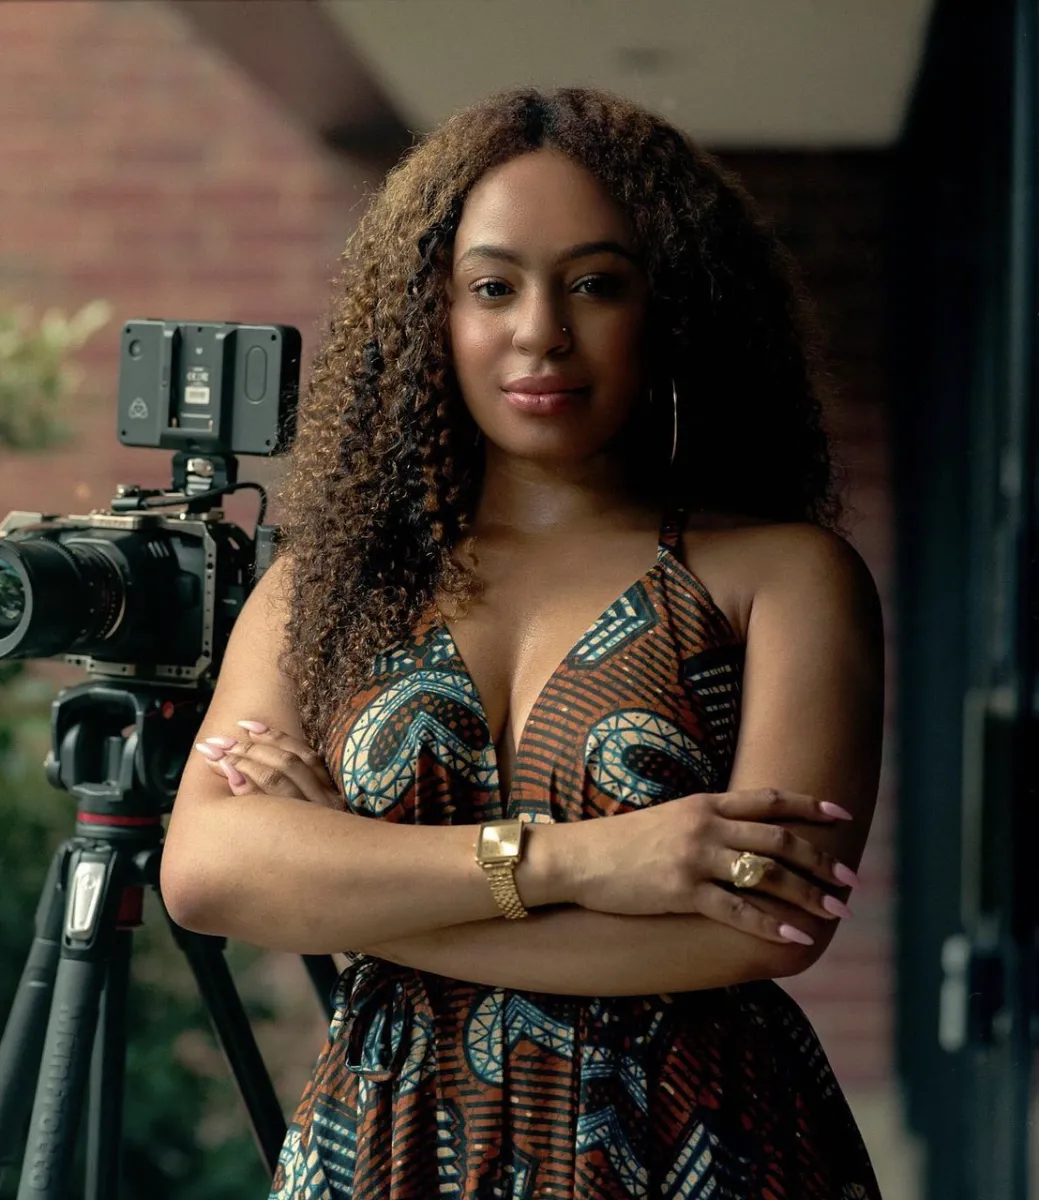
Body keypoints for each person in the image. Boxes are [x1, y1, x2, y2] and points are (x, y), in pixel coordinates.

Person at [160, 85, 885, 1199]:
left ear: (673, 307)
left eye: (595, 284)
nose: (540, 330)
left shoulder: (784, 576)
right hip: (386, 1142)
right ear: (428, 314)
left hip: (692, 1147)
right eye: (492, 286)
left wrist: (359, 892)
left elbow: (764, 931)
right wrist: (595, 861)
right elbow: (209, 873)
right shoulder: (331, 587)